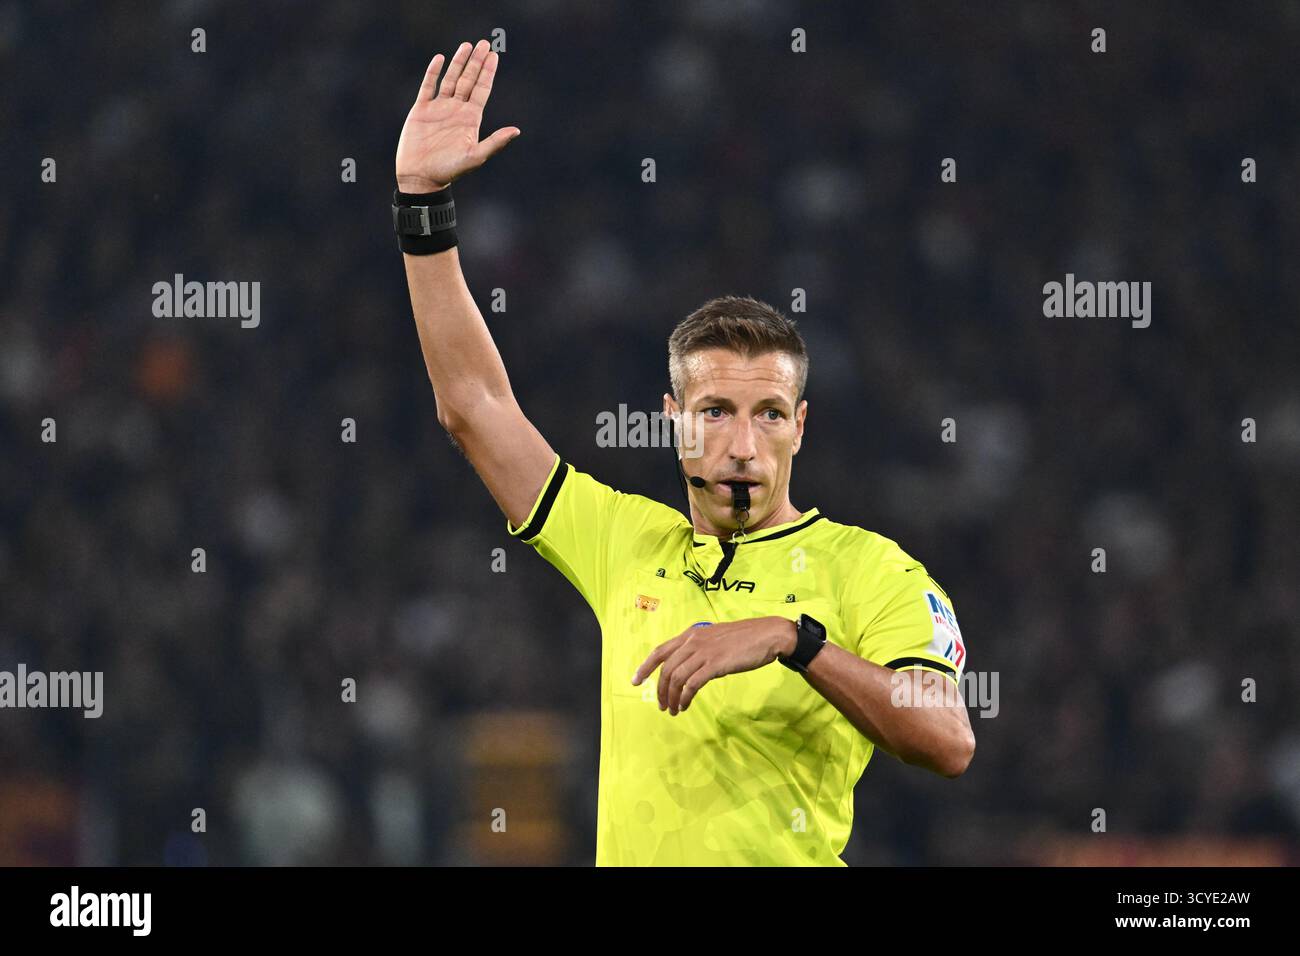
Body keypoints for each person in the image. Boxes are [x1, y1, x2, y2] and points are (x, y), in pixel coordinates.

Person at [393, 39, 974, 866]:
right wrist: (422, 204)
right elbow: (474, 407)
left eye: (769, 414)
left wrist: (794, 639)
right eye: (716, 412)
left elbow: (949, 738)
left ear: (801, 426)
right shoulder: (627, 543)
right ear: (672, 420)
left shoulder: (870, 571)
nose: (742, 444)